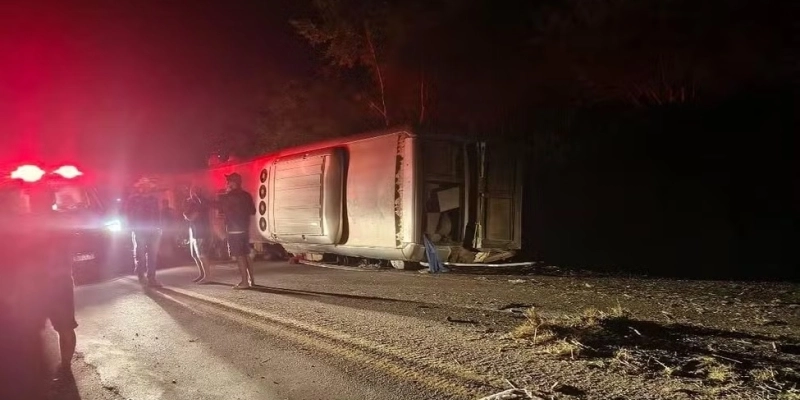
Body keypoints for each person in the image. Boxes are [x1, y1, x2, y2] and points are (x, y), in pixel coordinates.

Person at [218, 173, 256, 289]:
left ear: (232, 183)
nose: (226, 184)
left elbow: (221, 211)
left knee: (239, 255)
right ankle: (251, 280)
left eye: (228, 182)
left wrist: (226, 194)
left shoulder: (228, 196)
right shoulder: (247, 195)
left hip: (234, 230)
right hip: (244, 228)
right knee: (246, 254)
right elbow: (253, 211)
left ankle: (244, 282)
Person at [124, 179, 162, 287]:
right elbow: (128, 214)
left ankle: (152, 278)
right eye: (143, 186)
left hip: (153, 230)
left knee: (152, 255)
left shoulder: (153, 199)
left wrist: (159, 227)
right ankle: (141, 276)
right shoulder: (133, 199)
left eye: (147, 186)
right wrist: (132, 227)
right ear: (139, 187)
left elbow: (157, 214)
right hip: (139, 230)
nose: (146, 188)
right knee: (140, 254)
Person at [183, 186, 212, 283]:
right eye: (191, 191)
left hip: (200, 232)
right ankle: (202, 274)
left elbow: (191, 217)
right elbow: (188, 215)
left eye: (193, 191)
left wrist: (186, 215)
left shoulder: (200, 203)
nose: (191, 193)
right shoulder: (193, 203)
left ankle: (207, 277)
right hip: (194, 231)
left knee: (201, 255)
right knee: (195, 255)